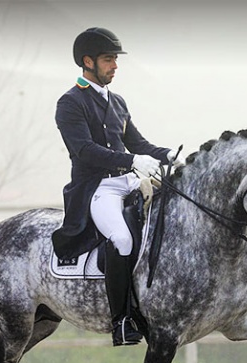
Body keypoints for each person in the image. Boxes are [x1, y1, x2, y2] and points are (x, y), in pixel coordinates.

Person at [52, 27, 182, 346]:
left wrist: (170, 155)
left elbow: (137, 142)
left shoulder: (117, 101)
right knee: (122, 238)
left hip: (128, 180)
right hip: (98, 187)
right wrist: (132, 161)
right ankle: (122, 321)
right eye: (109, 59)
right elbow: (84, 150)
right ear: (88, 61)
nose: (115, 66)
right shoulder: (70, 102)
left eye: (114, 59)